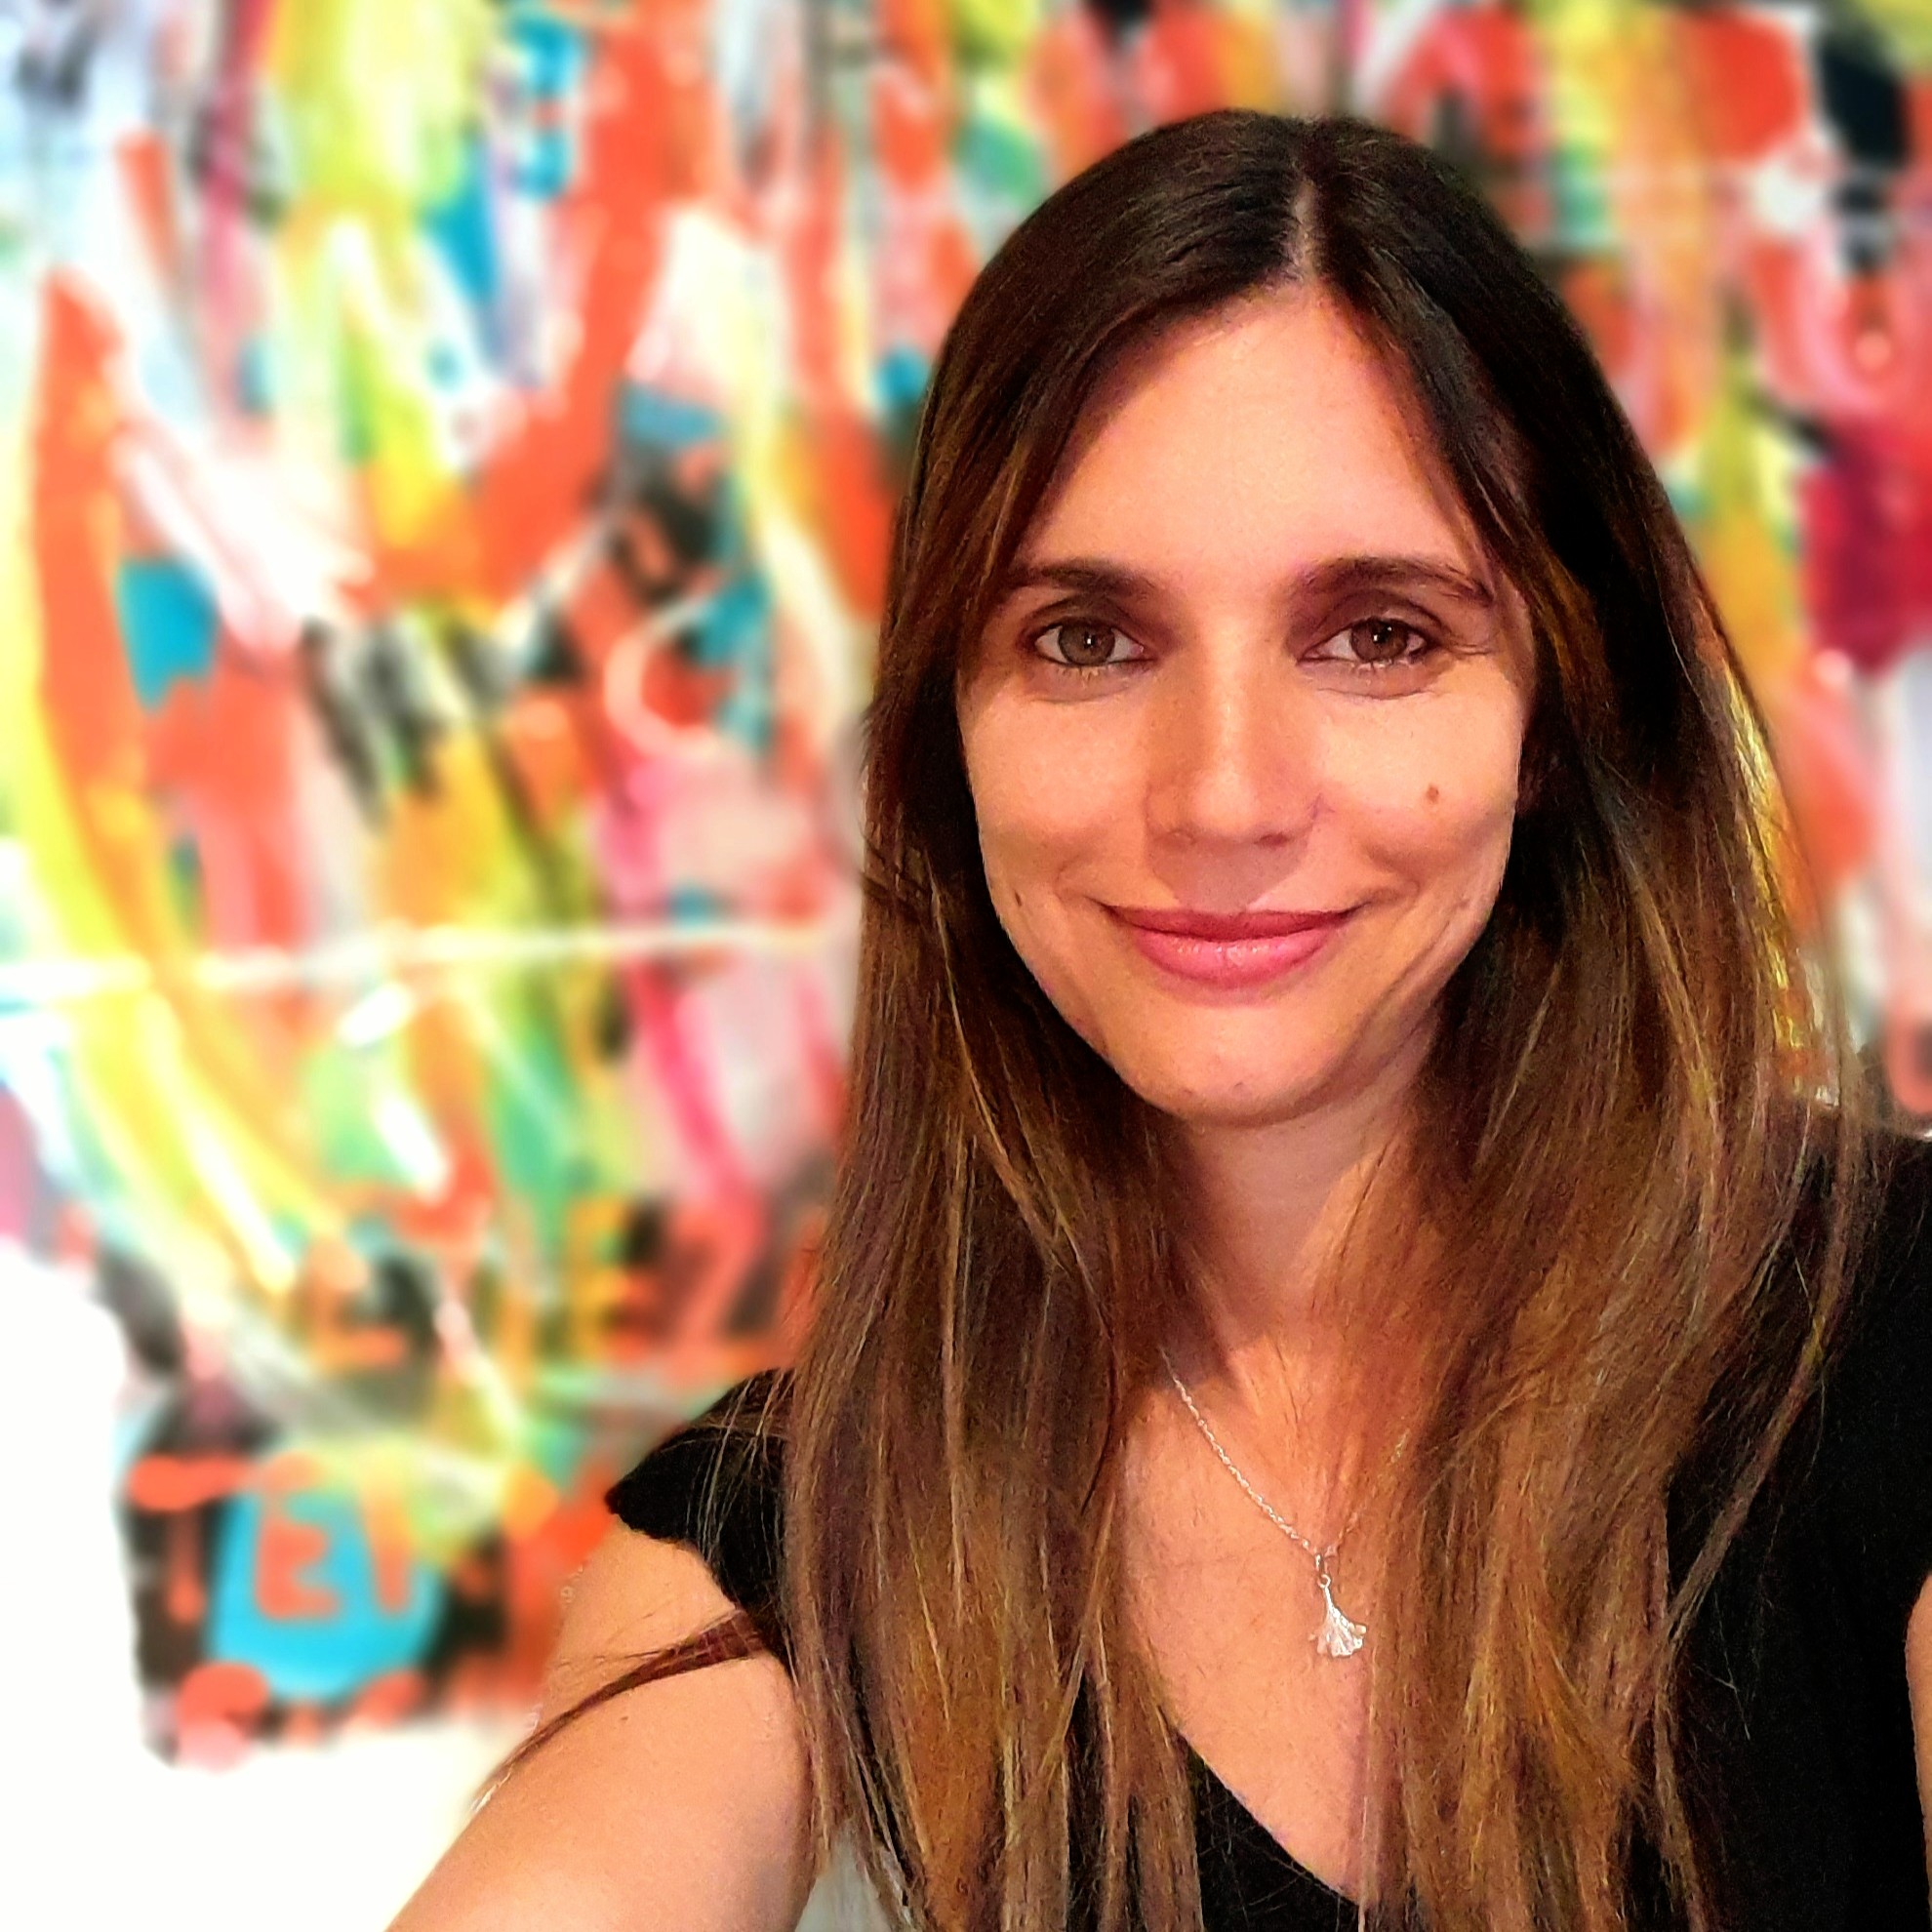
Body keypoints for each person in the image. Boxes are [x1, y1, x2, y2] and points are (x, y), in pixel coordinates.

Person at [390, 110, 1932, 1932]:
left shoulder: (1891, 1319)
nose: (1222, 798)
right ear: (951, 736)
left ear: (1556, 717)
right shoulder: (800, 1529)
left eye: (1378, 635)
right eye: (1087, 640)